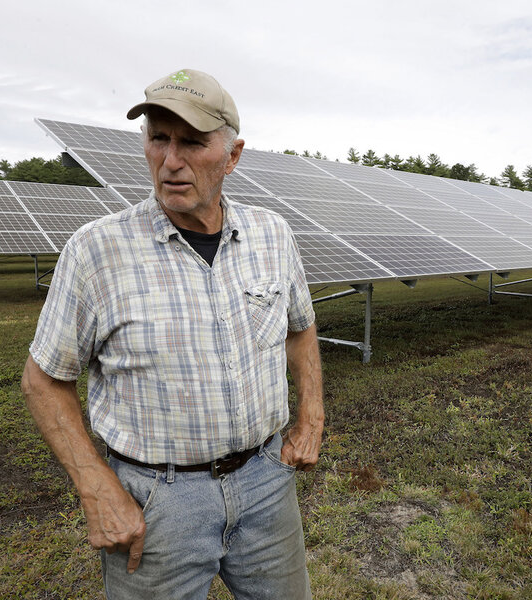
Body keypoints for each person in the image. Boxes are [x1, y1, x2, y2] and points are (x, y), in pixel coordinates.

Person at [21, 68, 324, 599]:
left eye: (192, 142)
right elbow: (43, 381)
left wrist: (311, 418)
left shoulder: (272, 235)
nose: (171, 160)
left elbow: (300, 329)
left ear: (232, 156)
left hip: (266, 481)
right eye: (158, 138)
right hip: (156, 501)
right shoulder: (96, 252)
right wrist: (96, 487)